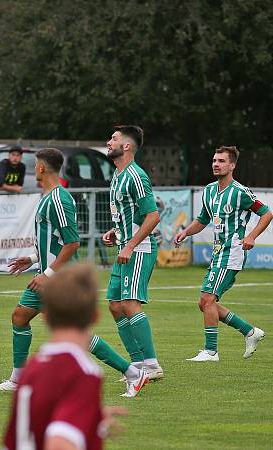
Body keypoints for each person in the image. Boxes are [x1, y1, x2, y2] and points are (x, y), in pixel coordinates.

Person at [0, 148, 148, 398]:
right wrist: (30, 260)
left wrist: (48, 274)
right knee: (20, 317)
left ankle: (133, 373)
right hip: (46, 276)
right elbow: (53, 242)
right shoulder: (48, 196)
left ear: (41, 168)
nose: (34, 169)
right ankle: (18, 378)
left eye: (36, 165)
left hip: (57, 280)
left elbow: (72, 243)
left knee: (77, 334)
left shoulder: (59, 199)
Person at [2, 264, 127, 450]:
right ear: (95, 317)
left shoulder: (32, 366)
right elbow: (59, 443)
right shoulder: (83, 373)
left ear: (45, 317)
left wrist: (89, 416)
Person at [174, 146, 271, 362]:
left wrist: (252, 236)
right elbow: (202, 220)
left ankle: (211, 351)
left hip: (232, 252)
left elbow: (266, 213)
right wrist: (185, 233)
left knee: (207, 299)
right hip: (218, 253)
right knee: (205, 303)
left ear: (232, 165)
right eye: (214, 160)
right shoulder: (209, 191)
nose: (216, 164)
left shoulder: (240, 192)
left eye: (221, 161)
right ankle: (249, 331)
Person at [102, 125, 163, 380]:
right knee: (115, 306)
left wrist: (129, 245)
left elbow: (153, 216)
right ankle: (137, 363)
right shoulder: (118, 175)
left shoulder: (136, 175)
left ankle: (152, 365)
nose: (108, 142)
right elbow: (133, 216)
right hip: (124, 247)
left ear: (126, 146)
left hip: (138, 249)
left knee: (129, 304)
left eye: (114, 139)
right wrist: (115, 232)